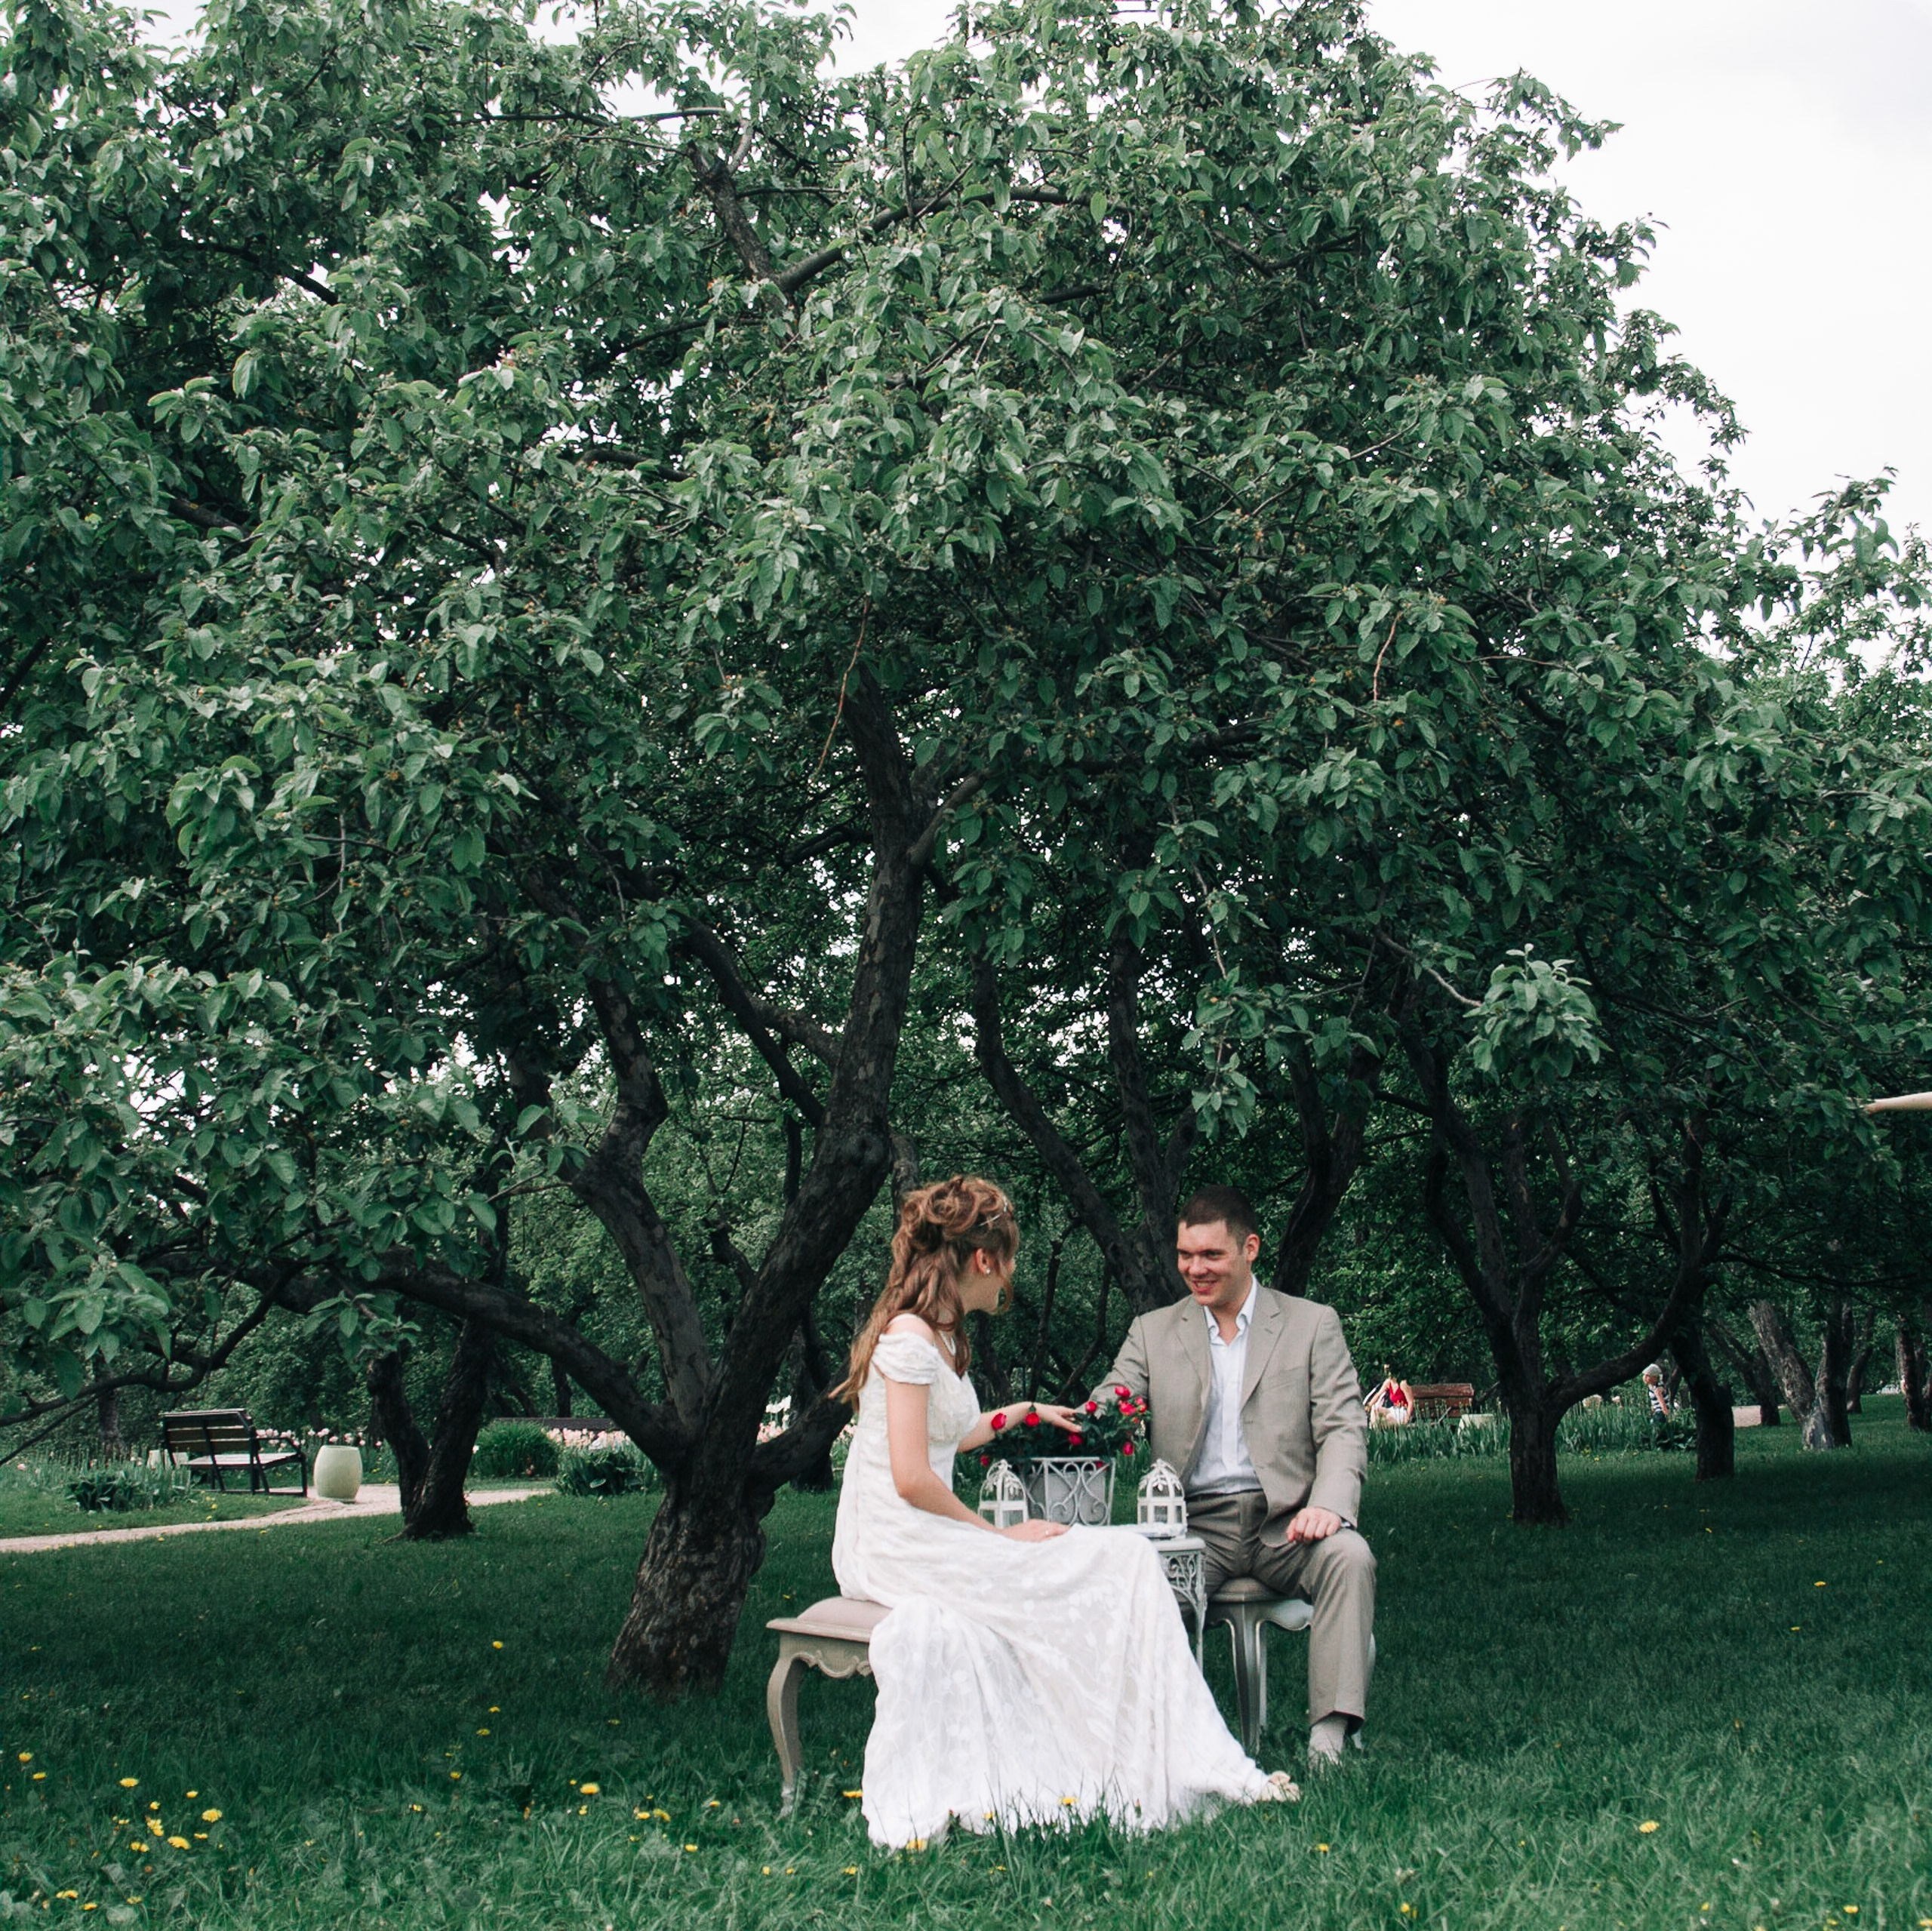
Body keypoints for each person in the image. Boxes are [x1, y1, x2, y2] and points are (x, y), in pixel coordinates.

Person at [831, 1174, 1296, 1850]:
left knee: (1121, 1559)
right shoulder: (908, 1336)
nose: (1010, 1277)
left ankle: (1137, 1750)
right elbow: (910, 1476)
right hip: (895, 1539)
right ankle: (1125, 1754)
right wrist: (998, 1536)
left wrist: (1023, 1412)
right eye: (1009, 1260)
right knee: (1112, 1559)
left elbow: (946, 1436)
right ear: (984, 1259)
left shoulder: (939, 1335)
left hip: (925, 1529)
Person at [1100, 1184, 1374, 1771]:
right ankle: (1149, 1750)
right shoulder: (1152, 1332)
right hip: (1193, 1527)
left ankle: (1328, 1742)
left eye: (1211, 1255)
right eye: (1185, 1255)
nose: (1194, 1269)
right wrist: (1049, 1428)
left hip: (1288, 1524)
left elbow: (1343, 1427)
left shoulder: (1311, 1324)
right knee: (1129, 1578)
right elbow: (1106, 1411)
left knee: (1350, 1557)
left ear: (1250, 1248)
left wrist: (1329, 1504)